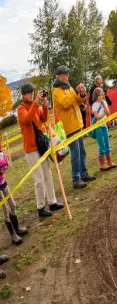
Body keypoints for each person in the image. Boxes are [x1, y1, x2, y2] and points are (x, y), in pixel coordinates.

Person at [17, 84, 63, 217]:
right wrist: (37, 102)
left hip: (41, 146)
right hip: (31, 149)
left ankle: (52, 201)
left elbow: (42, 119)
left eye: (32, 92)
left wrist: (44, 105)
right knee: (39, 179)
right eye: (28, 93)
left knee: (47, 174)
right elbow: (27, 119)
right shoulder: (21, 109)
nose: (30, 95)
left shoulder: (34, 105)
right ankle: (40, 207)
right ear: (23, 95)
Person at [51, 66, 96, 189]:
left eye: (68, 74)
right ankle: (76, 178)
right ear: (59, 76)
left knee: (81, 151)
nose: (68, 76)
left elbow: (77, 100)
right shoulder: (56, 91)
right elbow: (65, 103)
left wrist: (81, 94)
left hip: (77, 123)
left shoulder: (67, 86)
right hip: (69, 127)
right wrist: (74, 93)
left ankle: (83, 173)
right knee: (75, 153)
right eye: (66, 74)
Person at [0, 145, 27, 245]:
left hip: (3, 182)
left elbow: (4, 159)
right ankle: (13, 235)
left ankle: (17, 228)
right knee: (5, 210)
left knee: (12, 204)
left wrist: (5, 162)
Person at [91, 87, 117, 171]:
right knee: (101, 145)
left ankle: (109, 162)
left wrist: (103, 105)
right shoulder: (94, 105)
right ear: (96, 96)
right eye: (99, 95)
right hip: (98, 127)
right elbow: (97, 117)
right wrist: (103, 114)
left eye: (102, 94)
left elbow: (108, 113)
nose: (101, 96)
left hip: (104, 126)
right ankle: (102, 164)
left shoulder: (104, 102)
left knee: (107, 143)